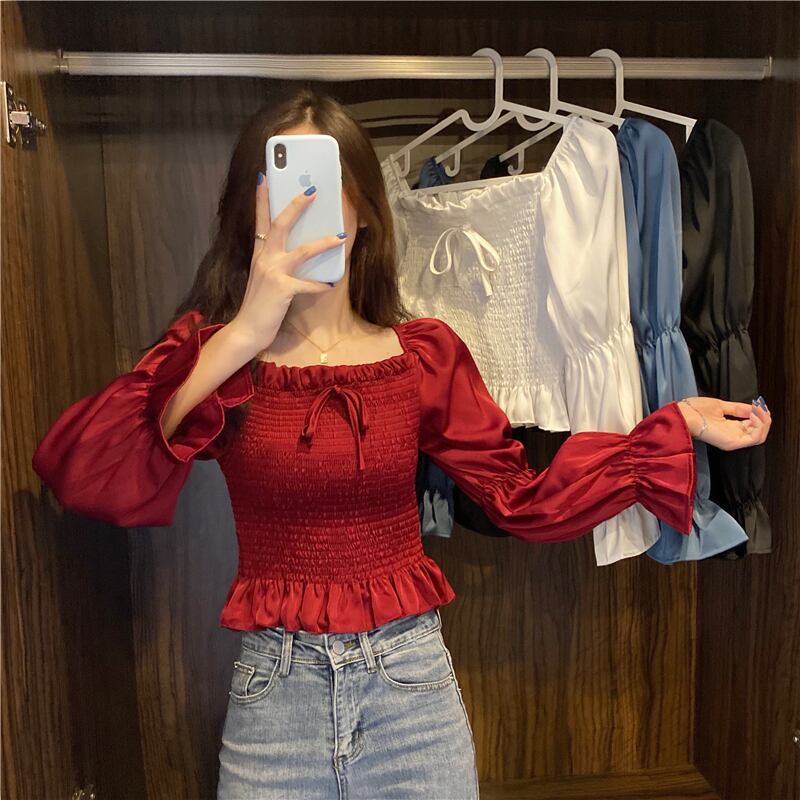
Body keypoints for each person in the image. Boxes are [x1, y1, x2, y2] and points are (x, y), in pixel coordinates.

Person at [31, 90, 771, 800]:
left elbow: (520, 497)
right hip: (273, 704)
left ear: (363, 209)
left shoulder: (423, 356)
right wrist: (246, 332)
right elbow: (89, 470)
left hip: (408, 694)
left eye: (323, 187)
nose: (302, 208)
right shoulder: (215, 362)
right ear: (246, 212)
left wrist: (674, 425)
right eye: (280, 186)